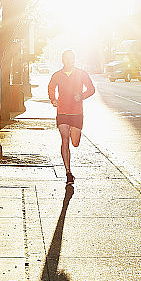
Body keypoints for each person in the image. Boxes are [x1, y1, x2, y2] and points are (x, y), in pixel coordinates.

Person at [48, 49, 95, 185]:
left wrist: (81, 96)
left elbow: (91, 89)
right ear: (62, 60)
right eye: (66, 58)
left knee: (75, 142)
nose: (69, 61)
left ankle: (74, 141)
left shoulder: (81, 74)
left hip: (76, 113)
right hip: (62, 112)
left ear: (74, 60)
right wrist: (53, 99)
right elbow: (51, 88)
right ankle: (68, 172)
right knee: (64, 139)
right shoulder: (57, 75)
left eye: (71, 58)